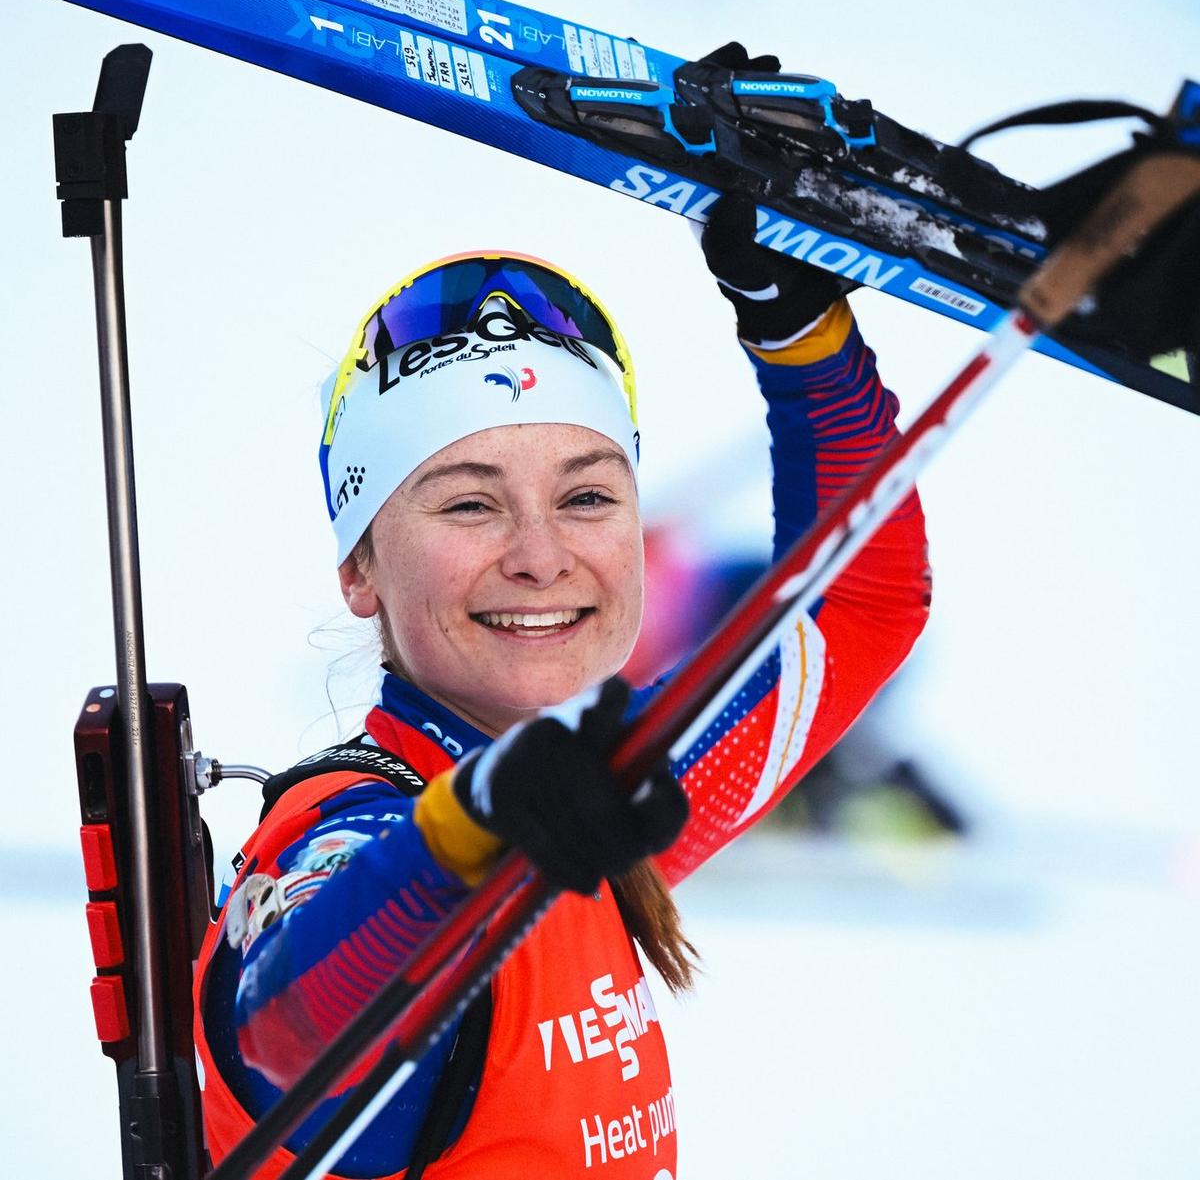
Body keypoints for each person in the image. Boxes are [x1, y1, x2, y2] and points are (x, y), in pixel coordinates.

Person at [192, 192, 931, 1178]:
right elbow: (286, 1033)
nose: (541, 557)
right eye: (469, 502)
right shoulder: (351, 837)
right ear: (361, 567)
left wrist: (804, 337)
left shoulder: (600, 805)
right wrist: (472, 830)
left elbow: (857, 606)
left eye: (586, 495)